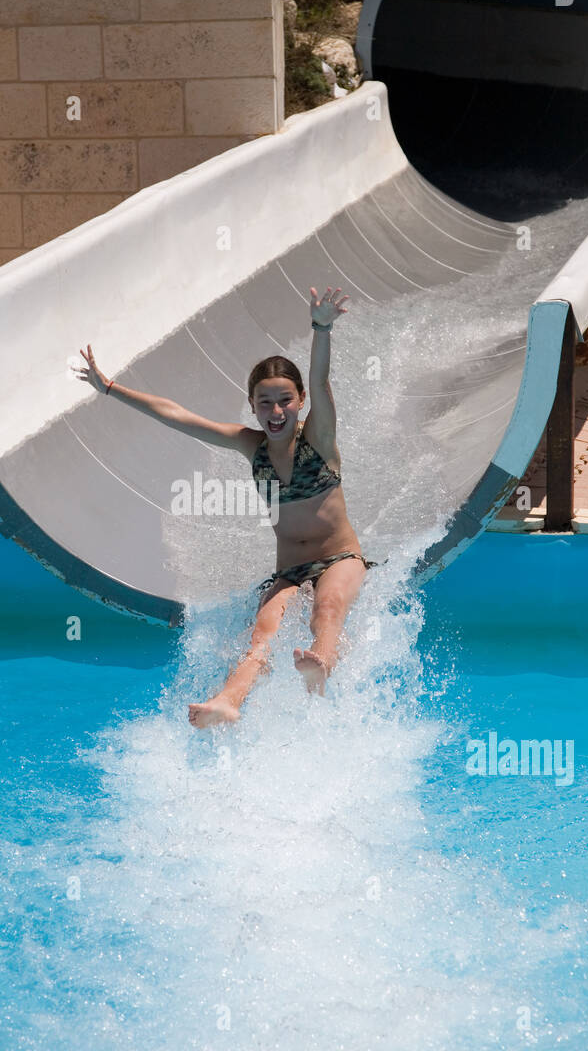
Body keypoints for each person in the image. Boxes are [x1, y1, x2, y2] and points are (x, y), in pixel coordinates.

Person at [78, 286, 373, 727]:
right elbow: (176, 416)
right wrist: (111, 388)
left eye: (285, 400)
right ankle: (228, 701)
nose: (276, 410)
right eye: (265, 402)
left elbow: (320, 379)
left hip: (341, 559)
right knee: (261, 637)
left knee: (326, 607)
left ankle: (323, 660)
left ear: (300, 404)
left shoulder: (319, 438)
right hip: (290, 571)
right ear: (253, 407)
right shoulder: (248, 445)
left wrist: (322, 328)